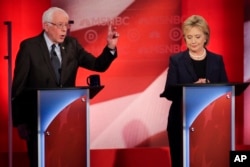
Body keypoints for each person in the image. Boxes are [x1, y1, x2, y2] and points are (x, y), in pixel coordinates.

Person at [11, 7, 119, 167]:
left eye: (66, 25)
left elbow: (97, 65)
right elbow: (18, 86)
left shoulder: (72, 45)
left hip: (66, 120)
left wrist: (110, 48)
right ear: (46, 26)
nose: (64, 29)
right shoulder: (29, 47)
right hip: (38, 120)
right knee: (40, 160)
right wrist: (20, 122)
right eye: (59, 25)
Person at [160, 15, 228, 167]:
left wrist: (209, 87)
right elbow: (169, 91)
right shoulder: (176, 60)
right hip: (181, 120)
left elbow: (226, 89)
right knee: (181, 161)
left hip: (212, 123)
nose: (193, 41)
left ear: (206, 37)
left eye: (197, 36)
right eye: (189, 37)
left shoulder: (217, 60)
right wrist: (193, 86)